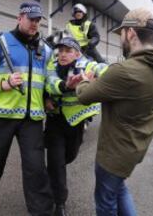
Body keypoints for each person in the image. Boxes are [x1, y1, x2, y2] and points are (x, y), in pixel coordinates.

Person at [0, 1, 74, 216]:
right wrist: (3, 84)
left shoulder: (45, 50)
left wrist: (63, 86)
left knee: (35, 168)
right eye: (31, 19)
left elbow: (50, 79)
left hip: (33, 119)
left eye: (38, 20)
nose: (35, 24)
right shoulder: (0, 43)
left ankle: (41, 212)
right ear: (20, 18)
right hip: (3, 117)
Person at [76, 8, 153, 215]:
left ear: (130, 33)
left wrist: (85, 79)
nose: (121, 38)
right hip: (135, 147)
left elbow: (84, 96)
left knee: (106, 202)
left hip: (114, 153)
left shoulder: (124, 71)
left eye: (121, 33)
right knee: (118, 189)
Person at [44, 37, 107, 216]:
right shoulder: (52, 66)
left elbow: (100, 68)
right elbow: (49, 82)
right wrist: (65, 85)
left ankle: (53, 174)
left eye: (68, 51)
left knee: (69, 156)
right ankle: (59, 203)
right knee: (56, 162)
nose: (63, 54)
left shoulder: (85, 65)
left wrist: (113, 72)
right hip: (55, 122)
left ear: (77, 53)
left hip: (76, 123)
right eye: (61, 51)